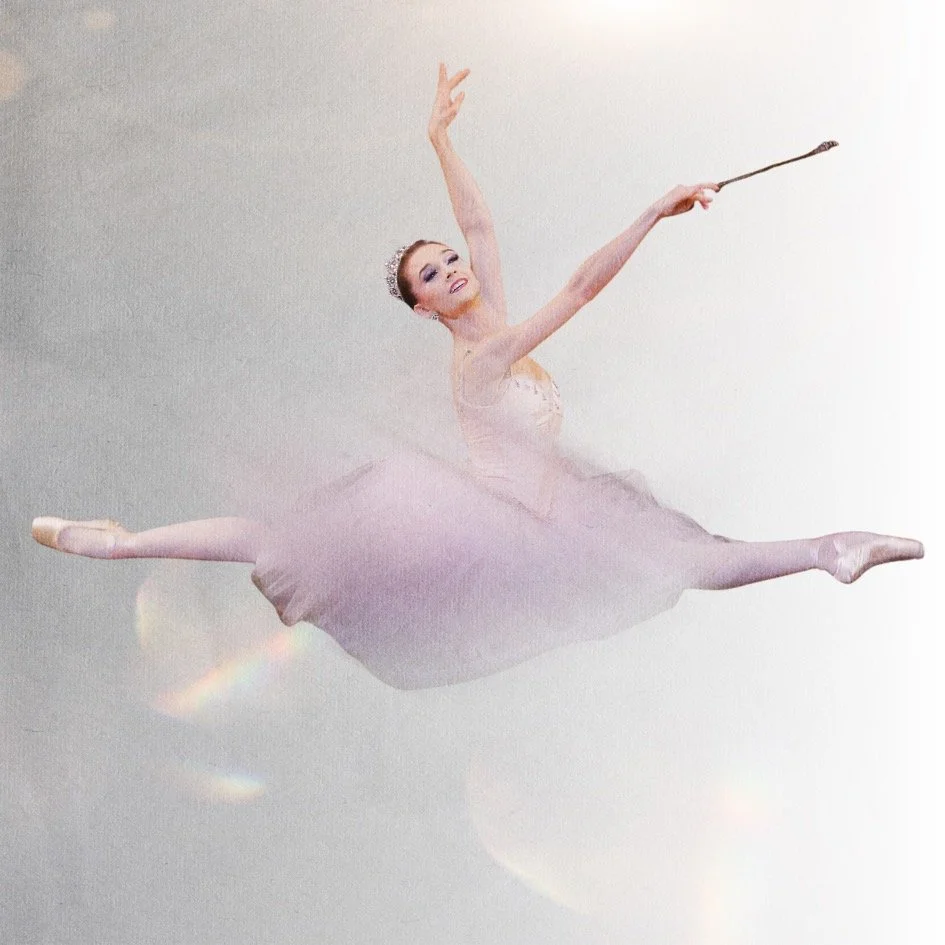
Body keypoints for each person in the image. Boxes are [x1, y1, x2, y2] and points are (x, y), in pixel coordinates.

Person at [32, 65, 923, 689]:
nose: (453, 270)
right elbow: (577, 288)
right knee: (285, 539)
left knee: (683, 557)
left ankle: (829, 549)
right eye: (433, 276)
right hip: (486, 524)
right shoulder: (479, 355)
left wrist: (438, 137)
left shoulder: (485, 306)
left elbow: (483, 228)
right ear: (423, 310)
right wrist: (654, 209)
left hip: (552, 514)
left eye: (446, 262)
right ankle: (117, 541)